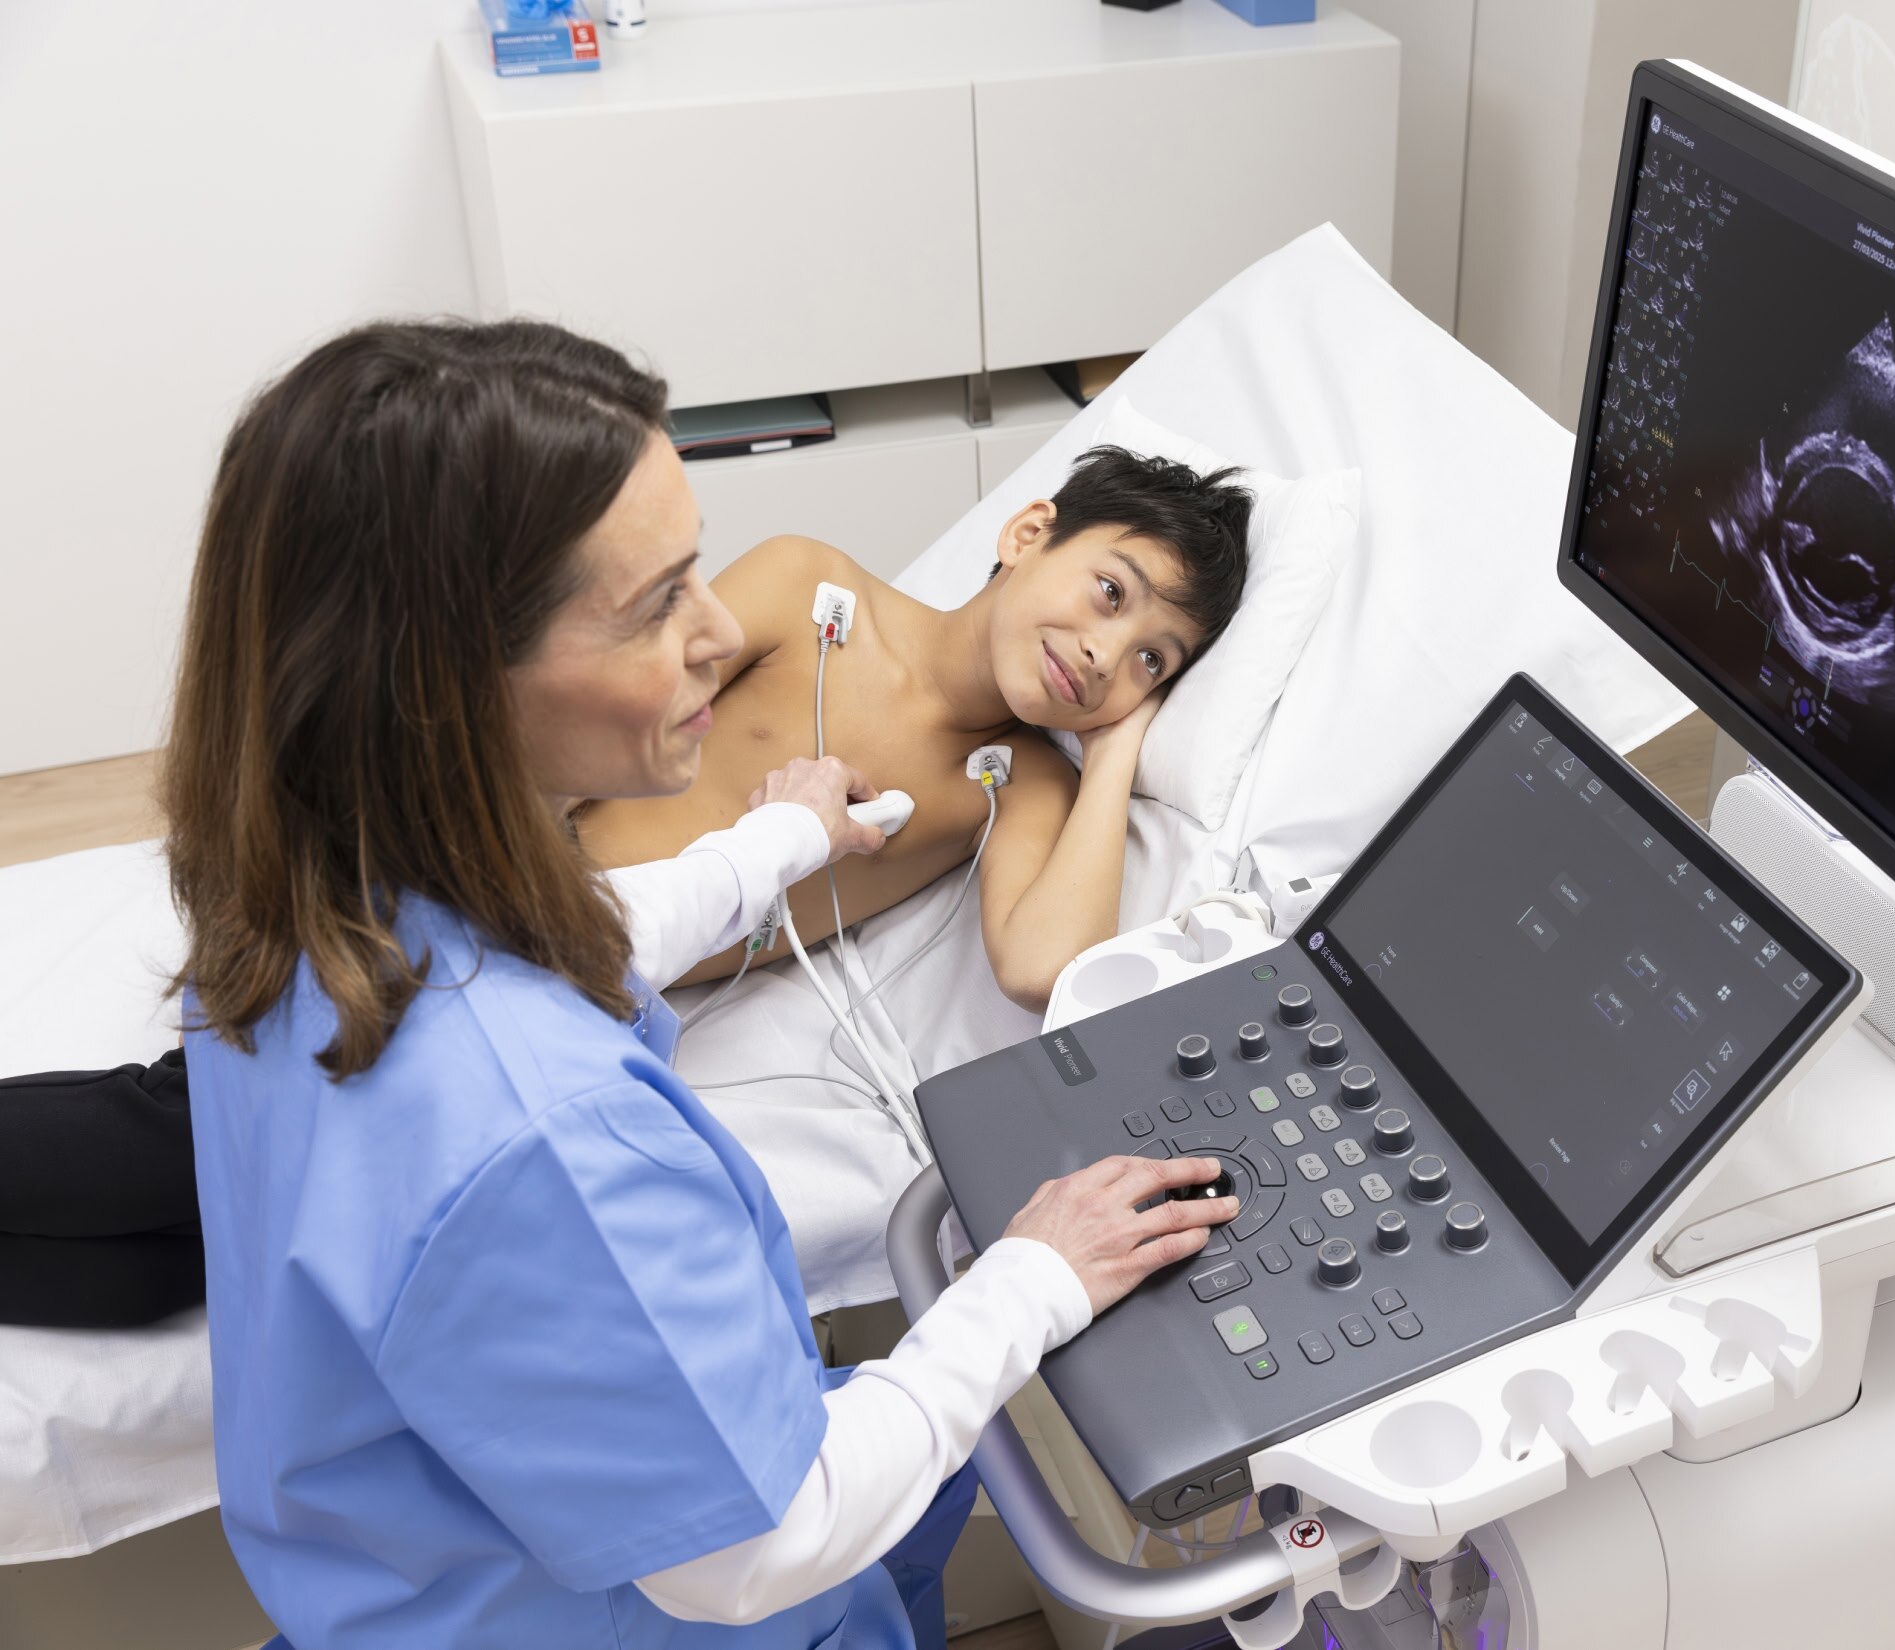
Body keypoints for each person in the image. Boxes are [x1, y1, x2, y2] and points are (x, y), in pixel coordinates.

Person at [160, 317, 1236, 1648]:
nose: (720, 626)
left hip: (398, 1575)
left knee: (936, 1485)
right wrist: (1033, 1275)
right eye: (659, 598)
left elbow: (564, 936)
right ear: (455, 668)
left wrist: (775, 844)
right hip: (606, 1612)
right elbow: (763, 1543)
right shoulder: (558, 1143)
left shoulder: (308, 888)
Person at [580, 444, 1254, 1007]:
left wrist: (1114, 754)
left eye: (1150, 660)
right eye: (1110, 592)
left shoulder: (1022, 784)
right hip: (533, 899)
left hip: (600, 1003)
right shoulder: (803, 588)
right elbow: (576, 737)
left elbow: (1042, 973)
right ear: (1027, 536)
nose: (1105, 657)